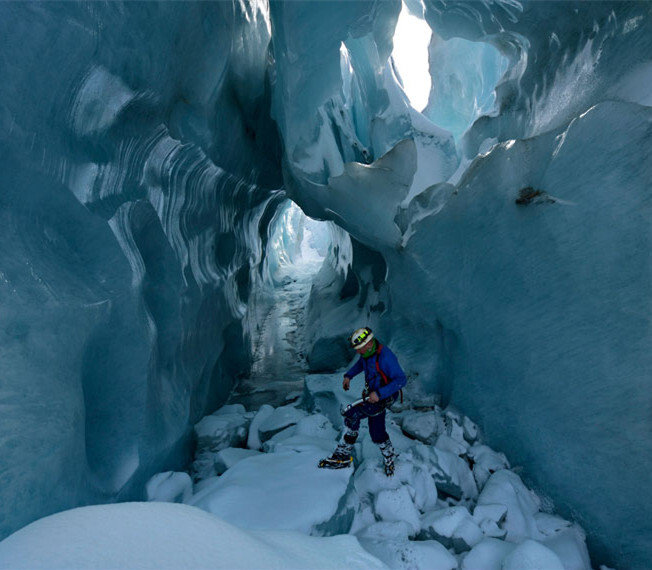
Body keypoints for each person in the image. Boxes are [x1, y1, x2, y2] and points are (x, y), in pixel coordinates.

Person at [319, 327, 407, 476]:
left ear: (368, 343)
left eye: (359, 348)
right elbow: (361, 364)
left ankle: (343, 455)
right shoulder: (368, 353)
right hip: (373, 396)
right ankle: (389, 455)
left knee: (352, 414)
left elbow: (401, 380)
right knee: (376, 432)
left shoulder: (386, 357)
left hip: (383, 396)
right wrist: (348, 376)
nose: (358, 352)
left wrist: (380, 393)